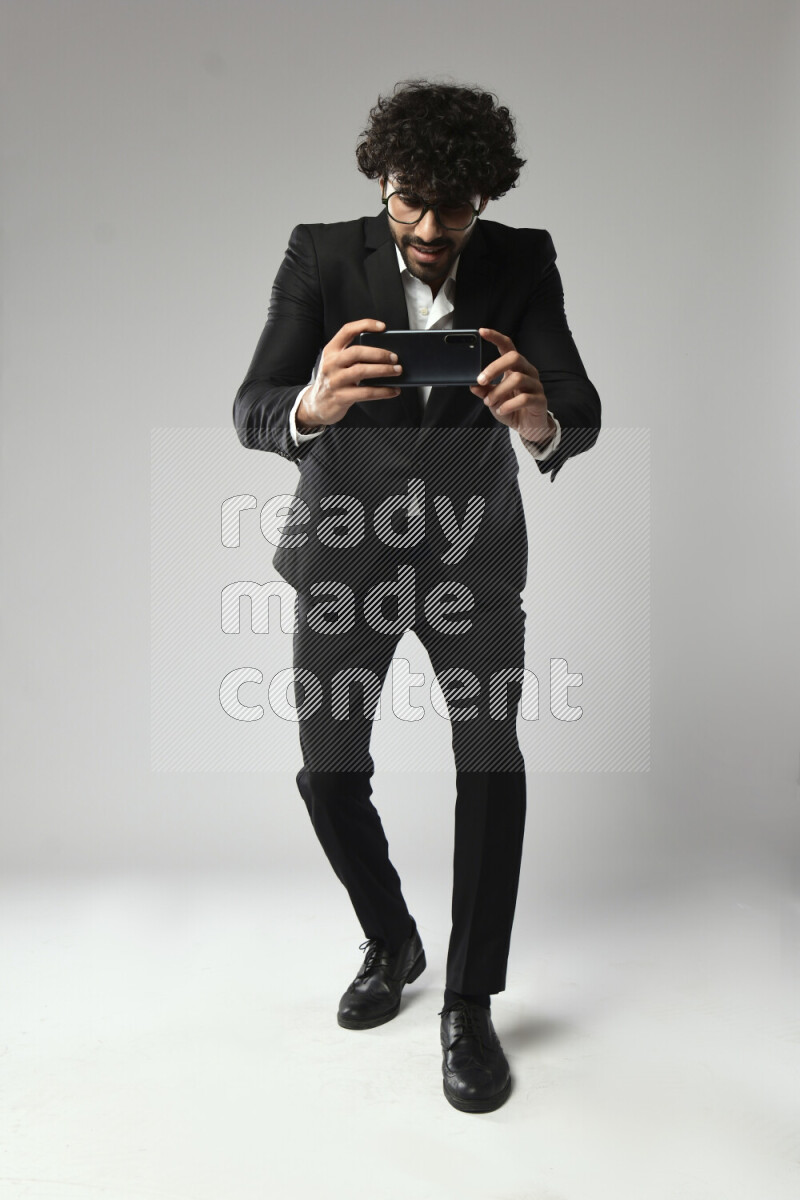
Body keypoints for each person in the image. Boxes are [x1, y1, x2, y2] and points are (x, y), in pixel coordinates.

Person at [233, 79, 601, 1113]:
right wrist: (307, 403)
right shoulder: (318, 252)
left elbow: (576, 403)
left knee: (488, 764)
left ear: (486, 197)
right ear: (380, 184)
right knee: (325, 773)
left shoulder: (520, 261)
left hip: (469, 560)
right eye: (409, 202)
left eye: (456, 206)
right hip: (341, 556)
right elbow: (251, 401)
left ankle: (467, 1002)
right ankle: (391, 940)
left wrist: (535, 419)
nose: (431, 229)